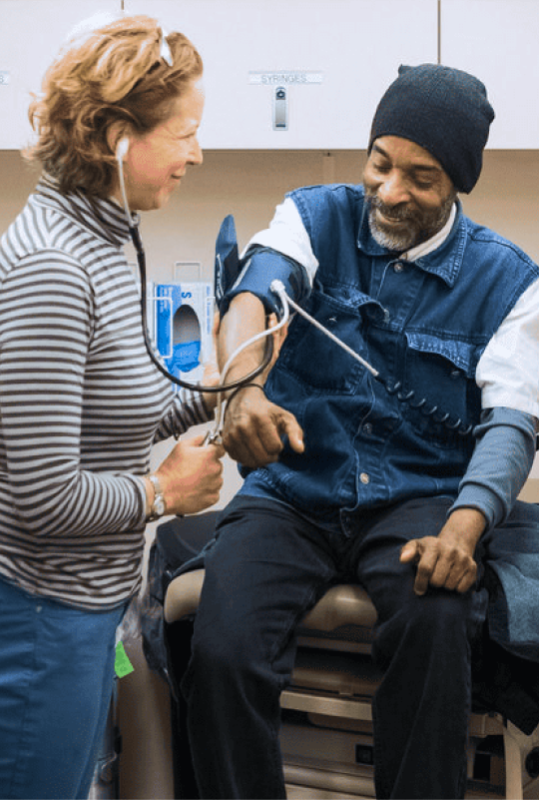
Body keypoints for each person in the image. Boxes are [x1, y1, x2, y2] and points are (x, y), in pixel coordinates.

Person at [177, 64, 539, 800]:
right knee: (221, 648)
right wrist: (242, 390)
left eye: (422, 176)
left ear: (458, 184)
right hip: (294, 491)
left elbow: (512, 422)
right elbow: (254, 290)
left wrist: (464, 530)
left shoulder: (510, 282)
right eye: (380, 162)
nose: (391, 189)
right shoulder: (314, 216)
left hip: (417, 499)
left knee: (438, 626)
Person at [0, 13, 226, 800]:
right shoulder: (52, 267)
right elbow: (44, 498)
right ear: (116, 138)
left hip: (74, 613)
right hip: (27, 620)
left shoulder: (103, 239)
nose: (197, 154)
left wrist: (217, 386)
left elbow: (120, 404)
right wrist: (165, 493)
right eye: (185, 134)